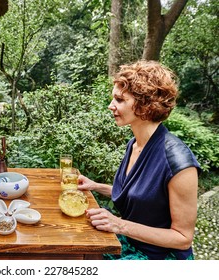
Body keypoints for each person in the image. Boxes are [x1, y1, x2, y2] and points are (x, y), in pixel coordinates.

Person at [78, 60, 201, 260]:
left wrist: (119, 224)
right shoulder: (134, 145)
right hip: (129, 242)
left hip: (159, 257)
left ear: (145, 104)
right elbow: (141, 197)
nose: (111, 106)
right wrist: (95, 186)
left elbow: (182, 238)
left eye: (119, 100)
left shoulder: (179, 163)